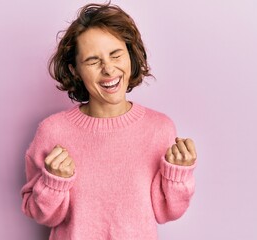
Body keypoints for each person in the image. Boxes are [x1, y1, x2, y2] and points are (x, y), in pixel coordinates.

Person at [21, 2, 197, 240]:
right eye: (93, 61)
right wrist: (53, 183)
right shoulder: (53, 131)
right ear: (75, 71)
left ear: (130, 55)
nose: (108, 69)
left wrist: (178, 175)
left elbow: (167, 211)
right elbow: (41, 215)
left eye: (116, 54)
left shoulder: (160, 129)